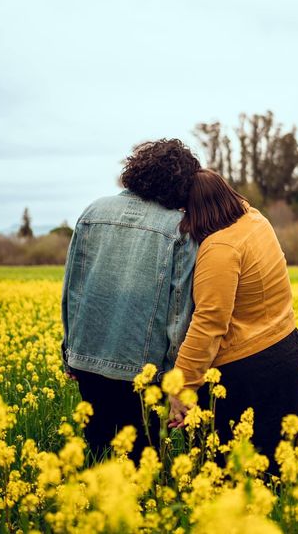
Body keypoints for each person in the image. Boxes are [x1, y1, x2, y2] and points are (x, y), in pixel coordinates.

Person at [61, 139, 199, 461]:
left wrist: (70, 350)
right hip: (144, 372)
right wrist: (174, 377)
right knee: (142, 466)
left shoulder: (92, 212)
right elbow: (179, 312)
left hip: (88, 358)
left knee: (96, 457)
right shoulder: (178, 229)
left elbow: (73, 289)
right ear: (180, 183)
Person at [170, 169, 298, 472]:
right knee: (291, 467)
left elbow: (208, 323)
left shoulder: (220, 248)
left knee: (235, 474)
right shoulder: (254, 219)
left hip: (249, 372)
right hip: (288, 351)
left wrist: (181, 387)